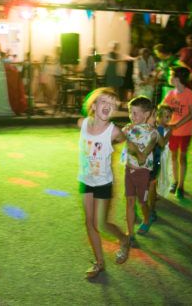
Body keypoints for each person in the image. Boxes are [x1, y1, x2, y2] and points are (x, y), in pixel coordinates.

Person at [78, 87, 130, 279]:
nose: (108, 106)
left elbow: (123, 138)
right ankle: (99, 263)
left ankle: (124, 239)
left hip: (103, 182)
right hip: (85, 179)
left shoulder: (114, 130)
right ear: (93, 105)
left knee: (103, 222)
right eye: (104, 102)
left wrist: (111, 144)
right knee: (89, 222)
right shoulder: (82, 124)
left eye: (112, 104)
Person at [122, 96, 159, 240]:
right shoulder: (128, 128)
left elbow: (151, 145)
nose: (132, 116)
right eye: (130, 112)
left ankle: (146, 218)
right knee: (130, 201)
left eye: (135, 113)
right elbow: (119, 136)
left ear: (146, 114)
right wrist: (124, 132)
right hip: (128, 171)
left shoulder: (151, 131)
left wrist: (142, 153)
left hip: (142, 173)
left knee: (142, 202)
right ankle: (130, 232)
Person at [163, 67, 192, 199]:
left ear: (177, 79)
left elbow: (191, 114)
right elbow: (163, 107)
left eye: (171, 75)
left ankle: (181, 185)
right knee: (173, 157)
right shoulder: (170, 93)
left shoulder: (190, 94)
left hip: (184, 132)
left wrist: (176, 124)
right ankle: (175, 181)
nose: (169, 78)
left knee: (181, 158)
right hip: (172, 132)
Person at [147, 104, 173, 222]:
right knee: (152, 182)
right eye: (166, 117)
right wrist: (169, 133)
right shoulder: (160, 129)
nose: (168, 119)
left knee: (152, 182)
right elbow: (162, 143)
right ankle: (151, 208)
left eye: (169, 117)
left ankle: (151, 203)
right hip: (155, 160)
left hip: (153, 160)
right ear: (158, 117)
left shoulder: (157, 127)